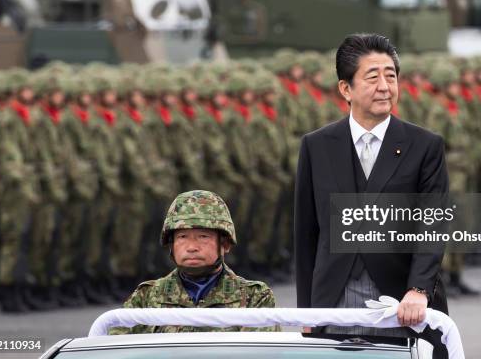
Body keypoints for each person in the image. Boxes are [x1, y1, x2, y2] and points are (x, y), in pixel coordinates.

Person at [294, 34, 449, 356]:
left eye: (391, 75)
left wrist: (418, 290)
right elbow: (306, 233)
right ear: (345, 89)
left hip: (401, 300)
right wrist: (305, 310)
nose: (384, 86)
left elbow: (432, 225)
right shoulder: (317, 146)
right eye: (373, 76)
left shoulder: (424, 146)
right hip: (334, 297)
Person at [110, 190, 279, 334]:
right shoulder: (146, 298)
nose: (191, 247)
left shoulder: (254, 298)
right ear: (171, 244)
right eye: (182, 237)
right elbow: (115, 349)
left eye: (203, 237)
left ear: (225, 244)